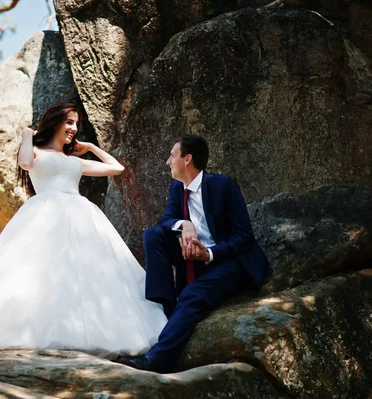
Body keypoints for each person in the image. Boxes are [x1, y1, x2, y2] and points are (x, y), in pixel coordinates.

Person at [0, 103, 167, 356]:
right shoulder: (34, 151)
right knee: (37, 273)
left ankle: (85, 330)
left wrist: (88, 147)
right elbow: (24, 163)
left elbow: (117, 168)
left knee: (82, 273)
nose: (73, 129)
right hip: (44, 215)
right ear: (55, 122)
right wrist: (25, 135)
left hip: (81, 217)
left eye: (76, 124)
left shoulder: (74, 161)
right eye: (69, 122)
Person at [116, 134, 272, 373]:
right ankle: (168, 312)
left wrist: (208, 254)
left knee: (192, 294)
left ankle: (157, 360)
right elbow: (167, 220)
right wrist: (184, 225)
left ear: (187, 159)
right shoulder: (177, 189)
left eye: (172, 155)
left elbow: (244, 237)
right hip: (195, 259)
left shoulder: (223, 185)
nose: (168, 161)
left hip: (232, 262)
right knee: (153, 236)